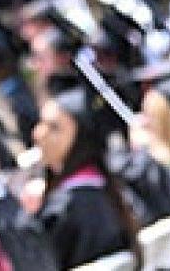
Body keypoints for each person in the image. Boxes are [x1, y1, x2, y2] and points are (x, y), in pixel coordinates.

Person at [29, 87, 142, 268]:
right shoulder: (111, 193)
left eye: (54, 127)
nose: (38, 134)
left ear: (81, 139)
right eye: (41, 123)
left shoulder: (64, 210)